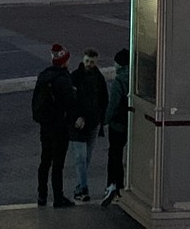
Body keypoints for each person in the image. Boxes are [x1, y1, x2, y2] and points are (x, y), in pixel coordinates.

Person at [31, 45, 78, 208]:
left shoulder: (44, 76)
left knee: (45, 161)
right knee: (58, 164)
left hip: (45, 126)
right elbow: (71, 103)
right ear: (64, 61)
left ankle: (42, 195)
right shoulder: (63, 79)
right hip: (60, 126)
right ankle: (58, 197)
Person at [68, 48, 108, 202]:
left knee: (85, 159)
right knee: (81, 159)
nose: (89, 64)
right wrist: (77, 117)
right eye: (87, 61)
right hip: (78, 125)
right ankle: (82, 189)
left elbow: (103, 100)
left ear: (96, 62)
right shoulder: (76, 77)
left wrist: (100, 119)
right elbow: (71, 102)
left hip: (92, 124)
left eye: (92, 62)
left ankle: (80, 188)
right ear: (82, 60)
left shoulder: (98, 78)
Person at [102, 48, 130, 204]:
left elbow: (112, 106)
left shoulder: (118, 82)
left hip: (117, 125)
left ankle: (113, 185)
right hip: (129, 123)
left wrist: (105, 120)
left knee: (114, 155)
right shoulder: (134, 78)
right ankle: (122, 185)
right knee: (123, 154)